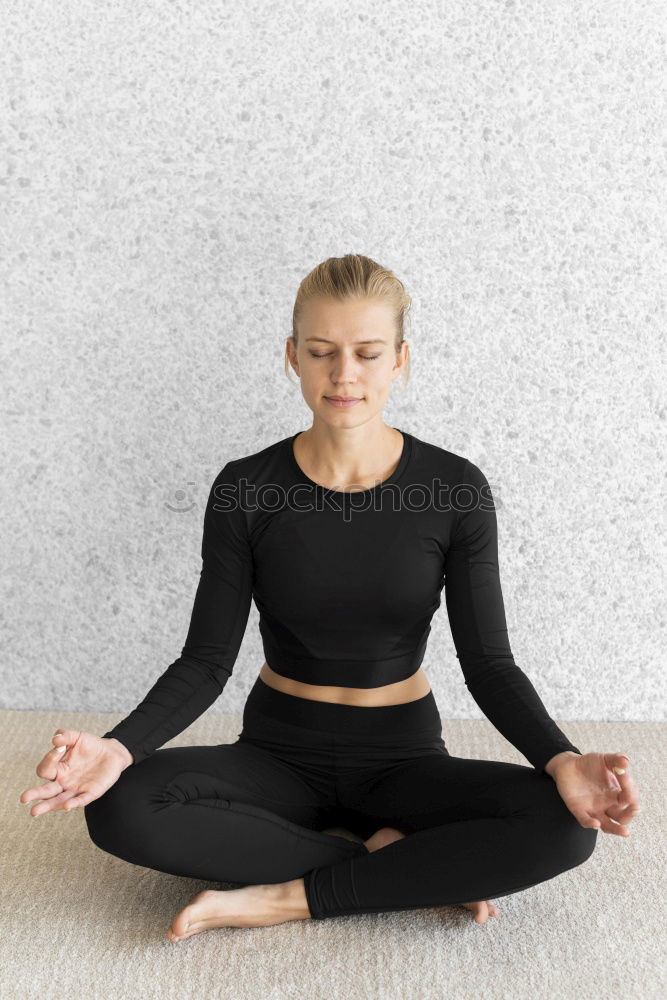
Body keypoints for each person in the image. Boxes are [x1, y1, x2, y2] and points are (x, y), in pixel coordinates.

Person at [20, 254, 640, 943]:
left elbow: (489, 664)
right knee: (121, 806)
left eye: (366, 354)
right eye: (321, 353)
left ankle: (281, 898)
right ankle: (397, 867)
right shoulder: (245, 488)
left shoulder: (454, 488)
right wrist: (118, 748)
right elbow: (204, 661)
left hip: (403, 756)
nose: (344, 375)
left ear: (400, 359)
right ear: (292, 356)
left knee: (563, 826)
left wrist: (560, 760)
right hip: (278, 752)